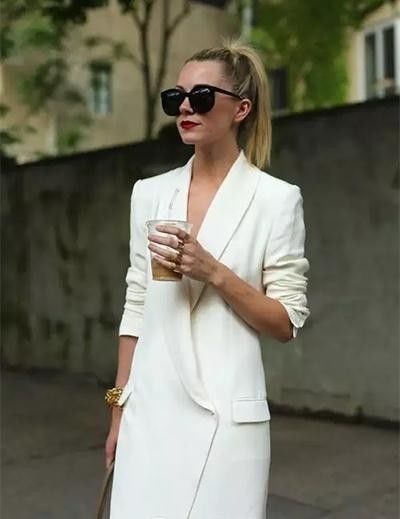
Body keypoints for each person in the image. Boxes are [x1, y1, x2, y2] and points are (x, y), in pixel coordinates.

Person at [106, 39, 310, 518]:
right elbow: (137, 306)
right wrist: (118, 409)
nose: (185, 108)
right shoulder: (150, 194)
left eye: (200, 97)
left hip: (228, 425)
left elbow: (285, 322)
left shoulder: (276, 201)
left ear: (241, 109)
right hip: (149, 417)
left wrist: (214, 271)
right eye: (176, 97)